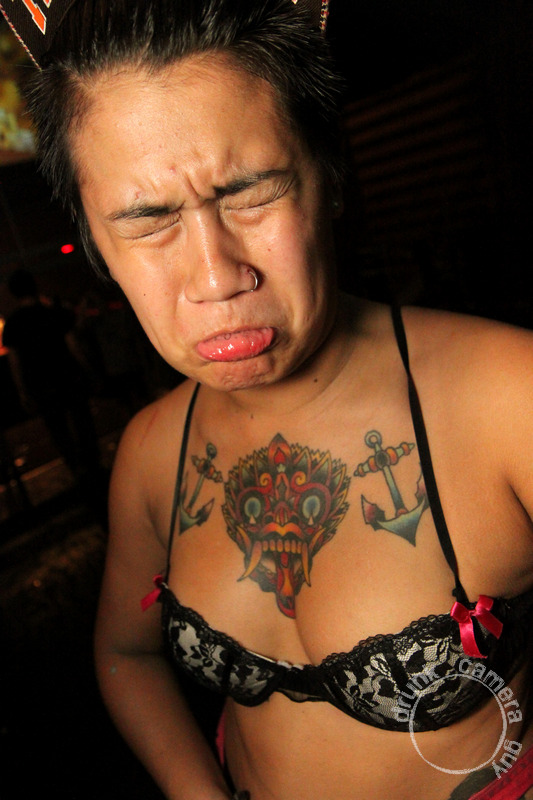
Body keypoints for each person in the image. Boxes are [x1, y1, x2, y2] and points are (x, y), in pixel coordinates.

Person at [3, 0, 533, 797]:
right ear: (97, 243)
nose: (217, 277)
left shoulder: (508, 399)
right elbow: (125, 651)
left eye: (250, 195)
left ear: (330, 177)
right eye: (147, 220)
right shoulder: (153, 452)